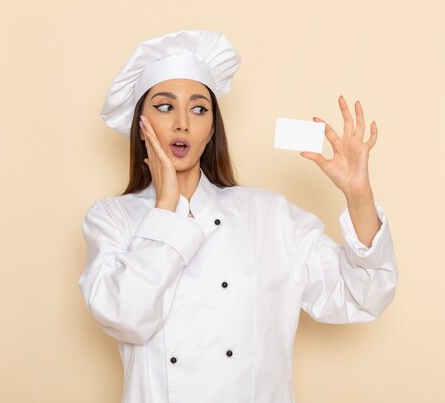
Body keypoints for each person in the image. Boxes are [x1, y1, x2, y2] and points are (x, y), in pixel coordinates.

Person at [79, 30, 398, 403]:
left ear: (212, 127)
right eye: (165, 106)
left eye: (199, 109)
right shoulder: (111, 219)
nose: (182, 122)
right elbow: (125, 317)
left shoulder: (268, 215)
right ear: (141, 124)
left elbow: (362, 296)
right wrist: (166, 207)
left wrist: (358, 194)